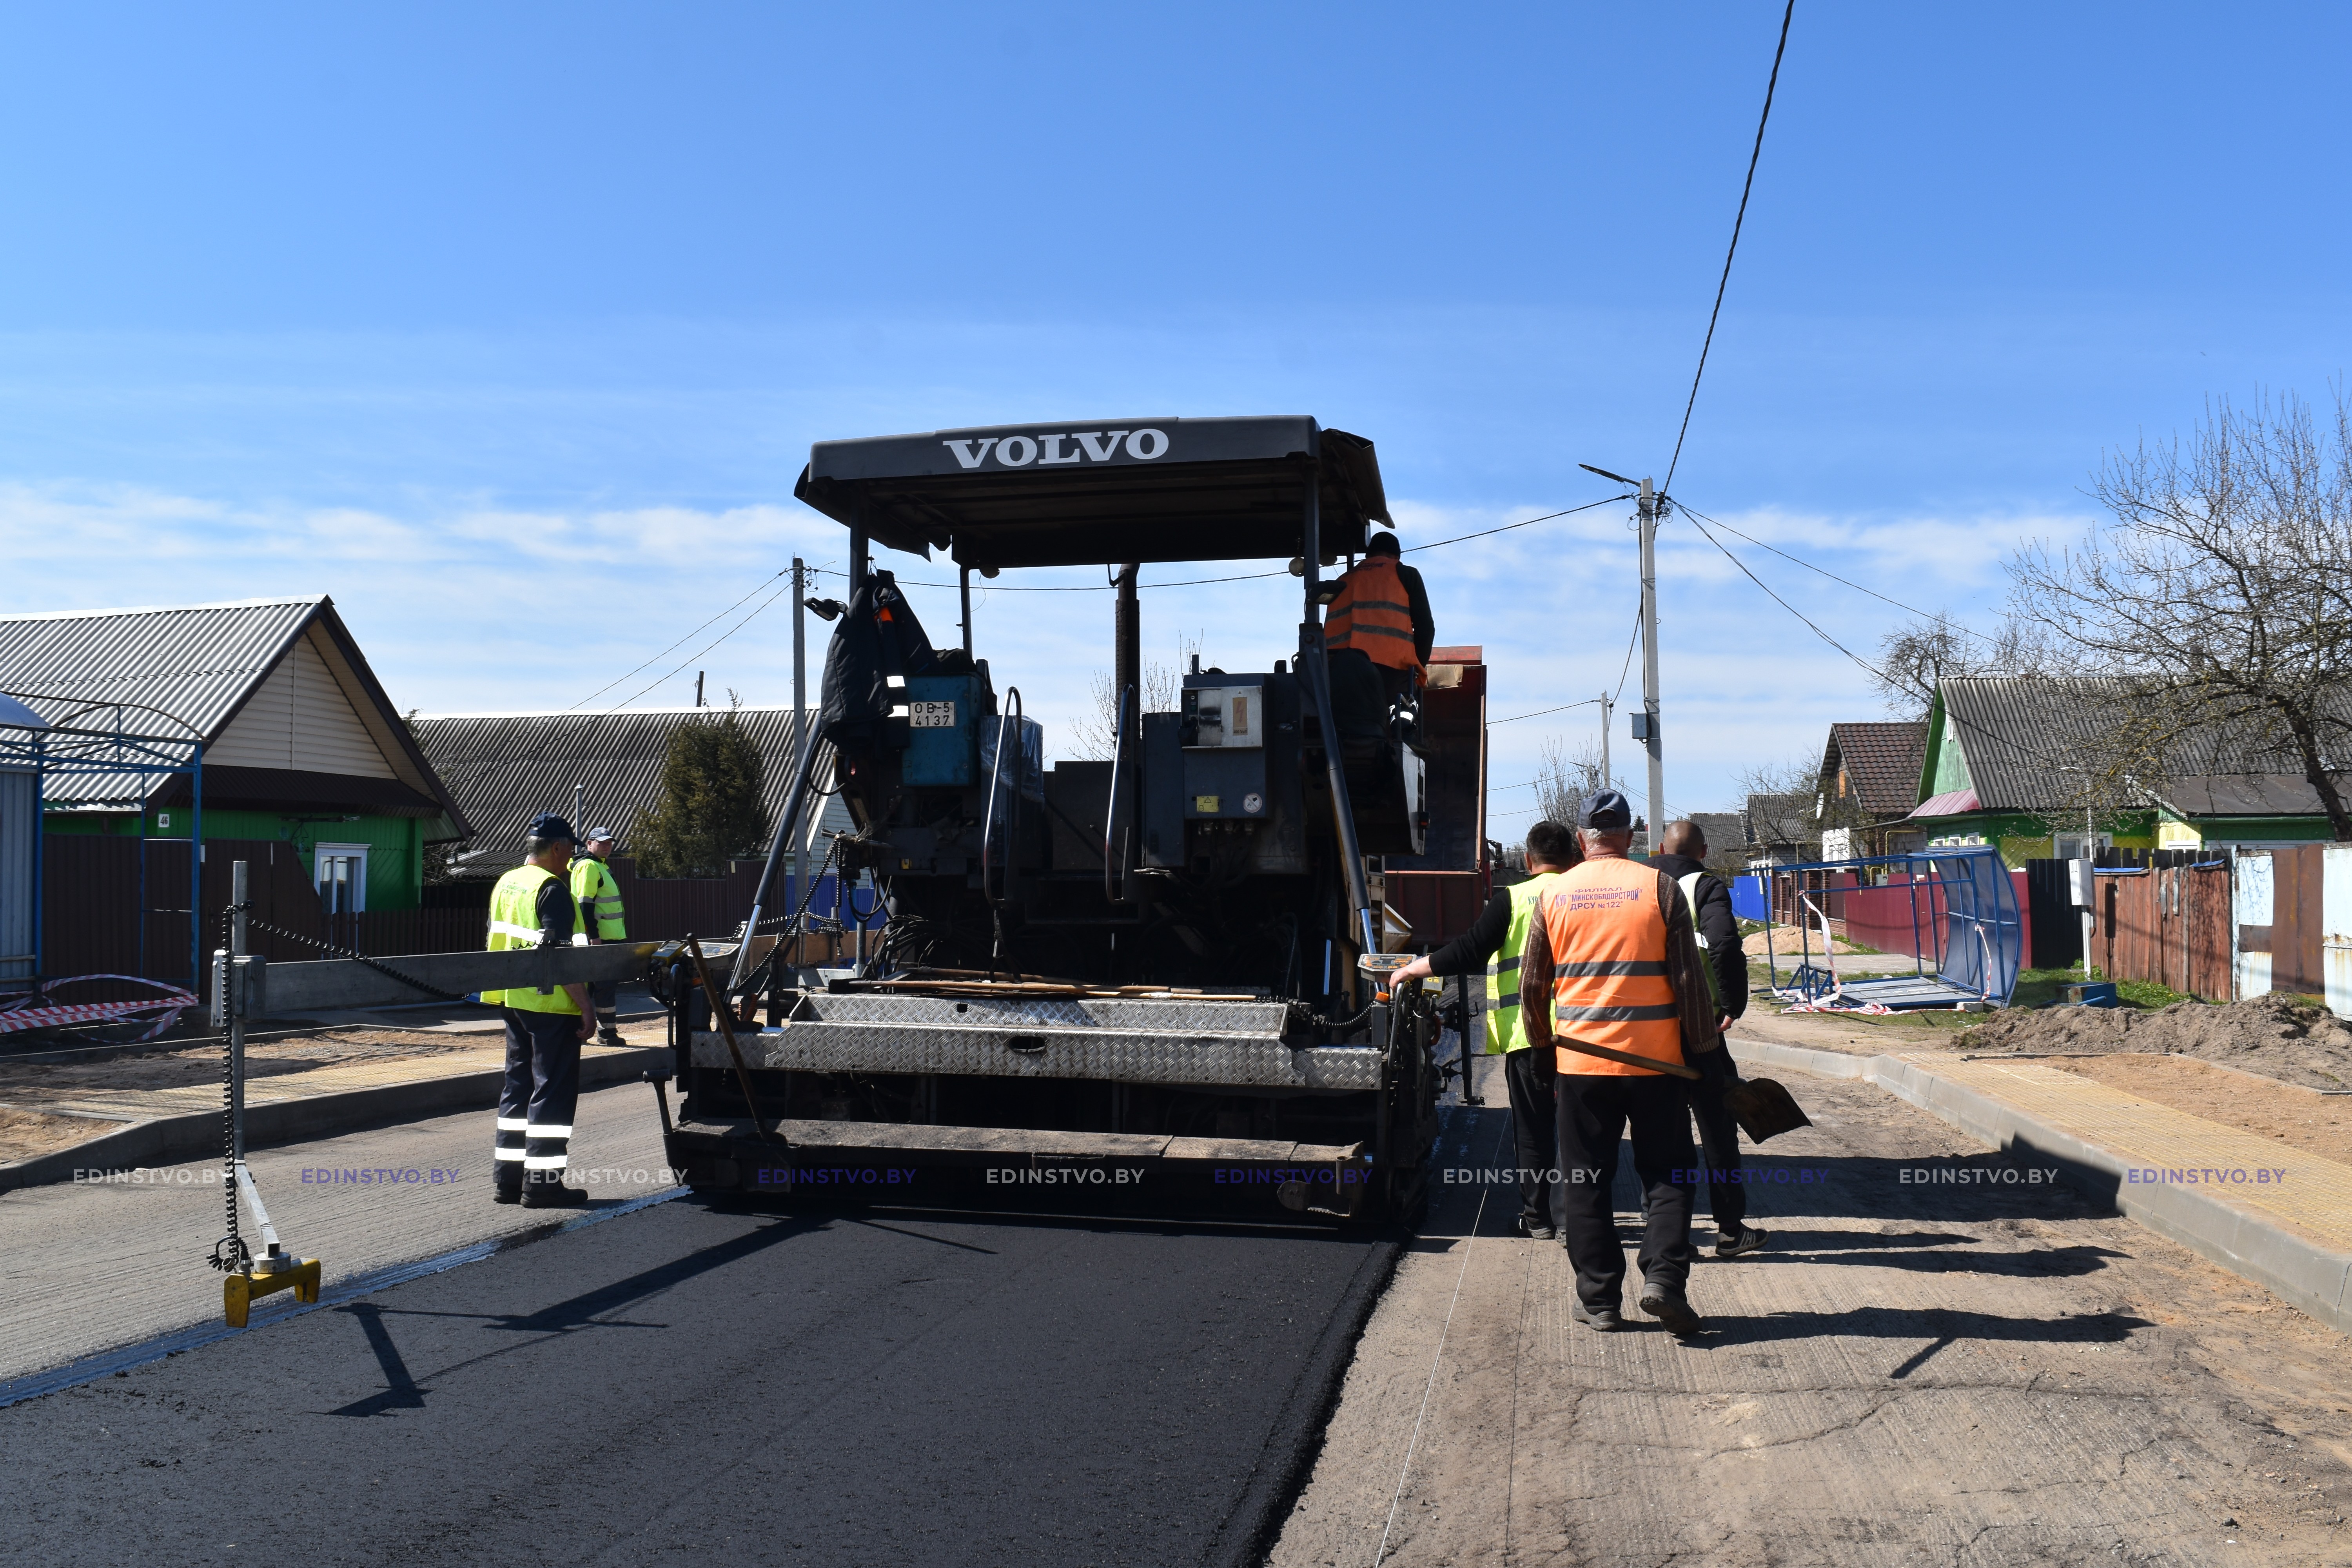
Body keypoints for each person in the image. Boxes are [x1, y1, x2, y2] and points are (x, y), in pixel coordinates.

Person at [1521, 790, 1733, 1336]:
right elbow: (1688, 981)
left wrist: (1543, 1049)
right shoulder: (1659, 888)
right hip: (1657, 1066)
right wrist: (1705, 1054)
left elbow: (1533, 986)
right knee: (1668, 1174)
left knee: (1586, 1179)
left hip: (1582, 1066)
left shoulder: (1555, 896)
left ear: (1581, 837)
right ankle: (1663, 1280)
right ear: (1632, 835)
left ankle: (1599, 1302)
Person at [1391, 820, 1581, 1239]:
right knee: (1575, 1128)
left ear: (1528, 861)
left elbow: (1469, 949)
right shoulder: (1585, 895)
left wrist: (1412, 969)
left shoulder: (1512, 899)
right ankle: (1574, 1220)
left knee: (1533, 1129)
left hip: (1529, 1035)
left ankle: (1538, 1220)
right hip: (1585, 1037)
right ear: (1573, 859)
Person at [1650, 819, 1768, 1259]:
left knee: (1660, 1130)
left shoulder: (1642, 883)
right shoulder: (1704, 885)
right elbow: (1723, 945)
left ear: (1661, 847)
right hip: (1700, 1030)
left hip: (1648, 1028)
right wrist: (1733, 1005)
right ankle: (1730, 1229)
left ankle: (1665, 1230)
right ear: (1702, 852)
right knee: (1718, 1129)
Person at [484, 814, 595, 1209]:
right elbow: (562, 959)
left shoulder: (507, 882)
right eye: (570, 850)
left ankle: (509, 1182)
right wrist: (586, 1007)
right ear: (557, 848)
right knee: (552, 1091)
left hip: (514, 1001)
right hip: (551, 1005)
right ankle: (543, 1184)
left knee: (517, 1088)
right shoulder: (553, 889)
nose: (571, 860)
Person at [1323, 531, 1435, 711]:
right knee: (1399, 726)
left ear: (1369, 555)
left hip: (1338, 672)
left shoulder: (1343, 580)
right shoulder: (1405, 573)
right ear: (1397, 556)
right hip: (1391, 670)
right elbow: (1426, 629)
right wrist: (1418, 666)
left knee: (1345, 727)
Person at [568, 826, 630, 1047]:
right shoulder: (589, 866)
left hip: (606, 938)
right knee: (604, 987)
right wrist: (594, 937)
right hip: (601, 939)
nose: (606, 847)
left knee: (593, 987)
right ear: (589, 844)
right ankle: (607, 1034)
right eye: (601, 843)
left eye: (609, 843)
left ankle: (581, 1032)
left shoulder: (599, 866)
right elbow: (585, 904)